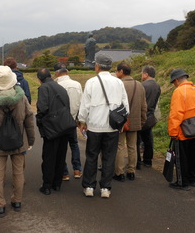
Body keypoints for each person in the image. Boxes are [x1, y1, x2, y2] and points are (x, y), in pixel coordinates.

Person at [0, 66, 35, 217]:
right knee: (18, 173)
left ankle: (0, 205)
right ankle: (17, 201)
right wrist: (30, 140)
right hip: (19, 141)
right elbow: (29, 120)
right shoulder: (22, 98)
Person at [78, 52, 129, 198]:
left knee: (92, 156)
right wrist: (121, 122)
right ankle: (105, 188)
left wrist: (82, 121)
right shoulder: (118, 82)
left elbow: (85, 105)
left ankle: (89, 186)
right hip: (112, 127)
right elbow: (125, 105)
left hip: (94, 126)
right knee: (109, 157)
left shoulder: (91, 82)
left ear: (98, 66)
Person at [168, 69, 195, 191]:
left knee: (182, 158)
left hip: (182, 131)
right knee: (193, 155)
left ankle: (183, 182)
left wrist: (173, 132)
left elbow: (176, 114)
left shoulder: (179, 91)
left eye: (173, 82)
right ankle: (193, 179)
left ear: (176, 80)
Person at [36, 68, 71, 195]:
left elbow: (43, 108)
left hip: (51, 128)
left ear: (39, 79)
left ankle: (47, 185)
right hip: (64, 126)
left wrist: (39, 121)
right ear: (50, 76)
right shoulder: (61, 88)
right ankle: (57, 184)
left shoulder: (44, 88)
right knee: (61, 156)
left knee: (49, 156)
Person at [113, 62, 147, 182]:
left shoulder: (118, 85)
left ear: (121, 71)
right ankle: (131, 172)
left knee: (120, 146)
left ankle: (119, 172)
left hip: (121, 121)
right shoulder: (140, 85)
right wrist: (142, 121)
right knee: (132, 146)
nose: (116, 73)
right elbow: (144, 106)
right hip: (136, 121)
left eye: (117, 71)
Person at [54, 62, 83, 180]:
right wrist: (79, 119)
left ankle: (64, 172)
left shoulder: (55, 85)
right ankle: (77, 170)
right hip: (73, 119)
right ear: (67, 72)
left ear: (56, 73)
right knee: (74, 144)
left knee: (61, 147)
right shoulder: (77, 84)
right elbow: (81, 103)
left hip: (60, 121)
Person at [137, 66, 161, 168]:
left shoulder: (142, 86)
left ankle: (137, 161)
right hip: (151, 116)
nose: (141, 76)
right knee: (148, 139)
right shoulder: (157, 86)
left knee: (136, 140)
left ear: (146, 74)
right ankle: (148, 160)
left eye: (142, 73)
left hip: (141, 115)